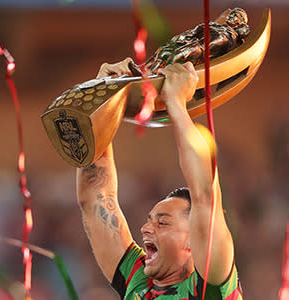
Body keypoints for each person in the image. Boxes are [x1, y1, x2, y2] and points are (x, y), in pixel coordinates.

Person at [76, 57, 243, 299]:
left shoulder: (211, 287)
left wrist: (176, 102)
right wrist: (100, 97)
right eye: (151, 220)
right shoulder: (138, 279)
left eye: (162, 222)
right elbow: (95, 199)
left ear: (192, 241)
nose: (145, 228)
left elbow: (205, 196)